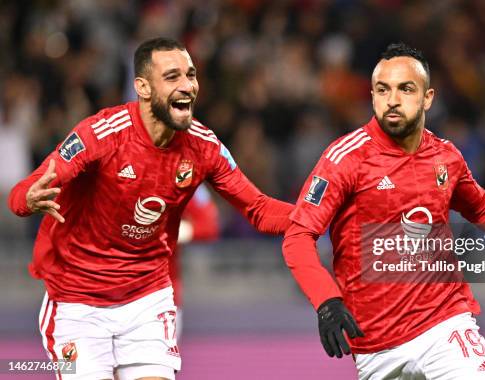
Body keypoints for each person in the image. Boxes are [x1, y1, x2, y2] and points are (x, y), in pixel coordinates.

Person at [282, 42, 485, 380]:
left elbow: (484, 208)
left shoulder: (445, 157)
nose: (392, 99)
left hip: (444, 326)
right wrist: (326, 301)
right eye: (382, 89)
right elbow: (298, 236)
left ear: (428, 98)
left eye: (406, 88)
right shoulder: (344, 158)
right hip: (375, 347)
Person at [8, 37, 293, 380]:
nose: (188, 85)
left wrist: (322, 213)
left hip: (147, 299)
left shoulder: (204, 147)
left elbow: (259, 208)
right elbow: (24, 190)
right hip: (77, 301)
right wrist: (27, 200)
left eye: (191, 74)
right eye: (173, 77)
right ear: (142, 87)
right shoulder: (101, 134)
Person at [172, 184, 220, 337]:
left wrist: (166, 229)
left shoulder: (182, 175)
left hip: (158, 298)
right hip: (99, 295)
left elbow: (209, 224)